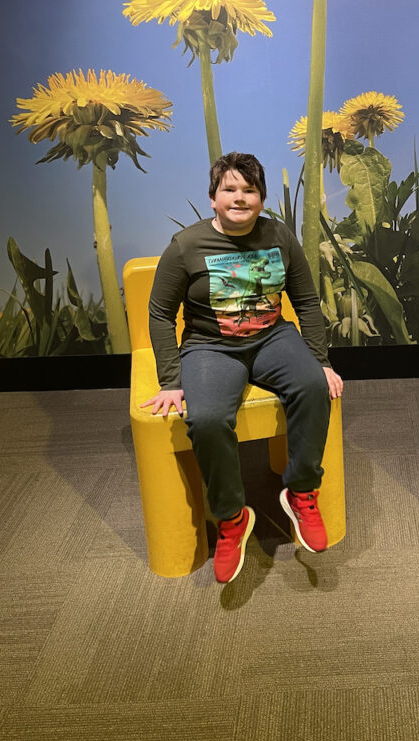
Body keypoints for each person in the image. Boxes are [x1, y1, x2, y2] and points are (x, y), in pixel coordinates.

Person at [143, 151, 343, 584]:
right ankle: (232, 517)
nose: (239, 197)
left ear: (262, 198)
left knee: (312, 386)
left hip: (272, 337)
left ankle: (302, 491)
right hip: (210, 347)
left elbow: (306, 301)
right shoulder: (187, 246)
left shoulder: (279, 236)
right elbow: (160, 313)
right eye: (229, 189)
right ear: (213, 198)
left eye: (249, 190)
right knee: (209, 418)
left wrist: (320, 362)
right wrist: (171, 381)